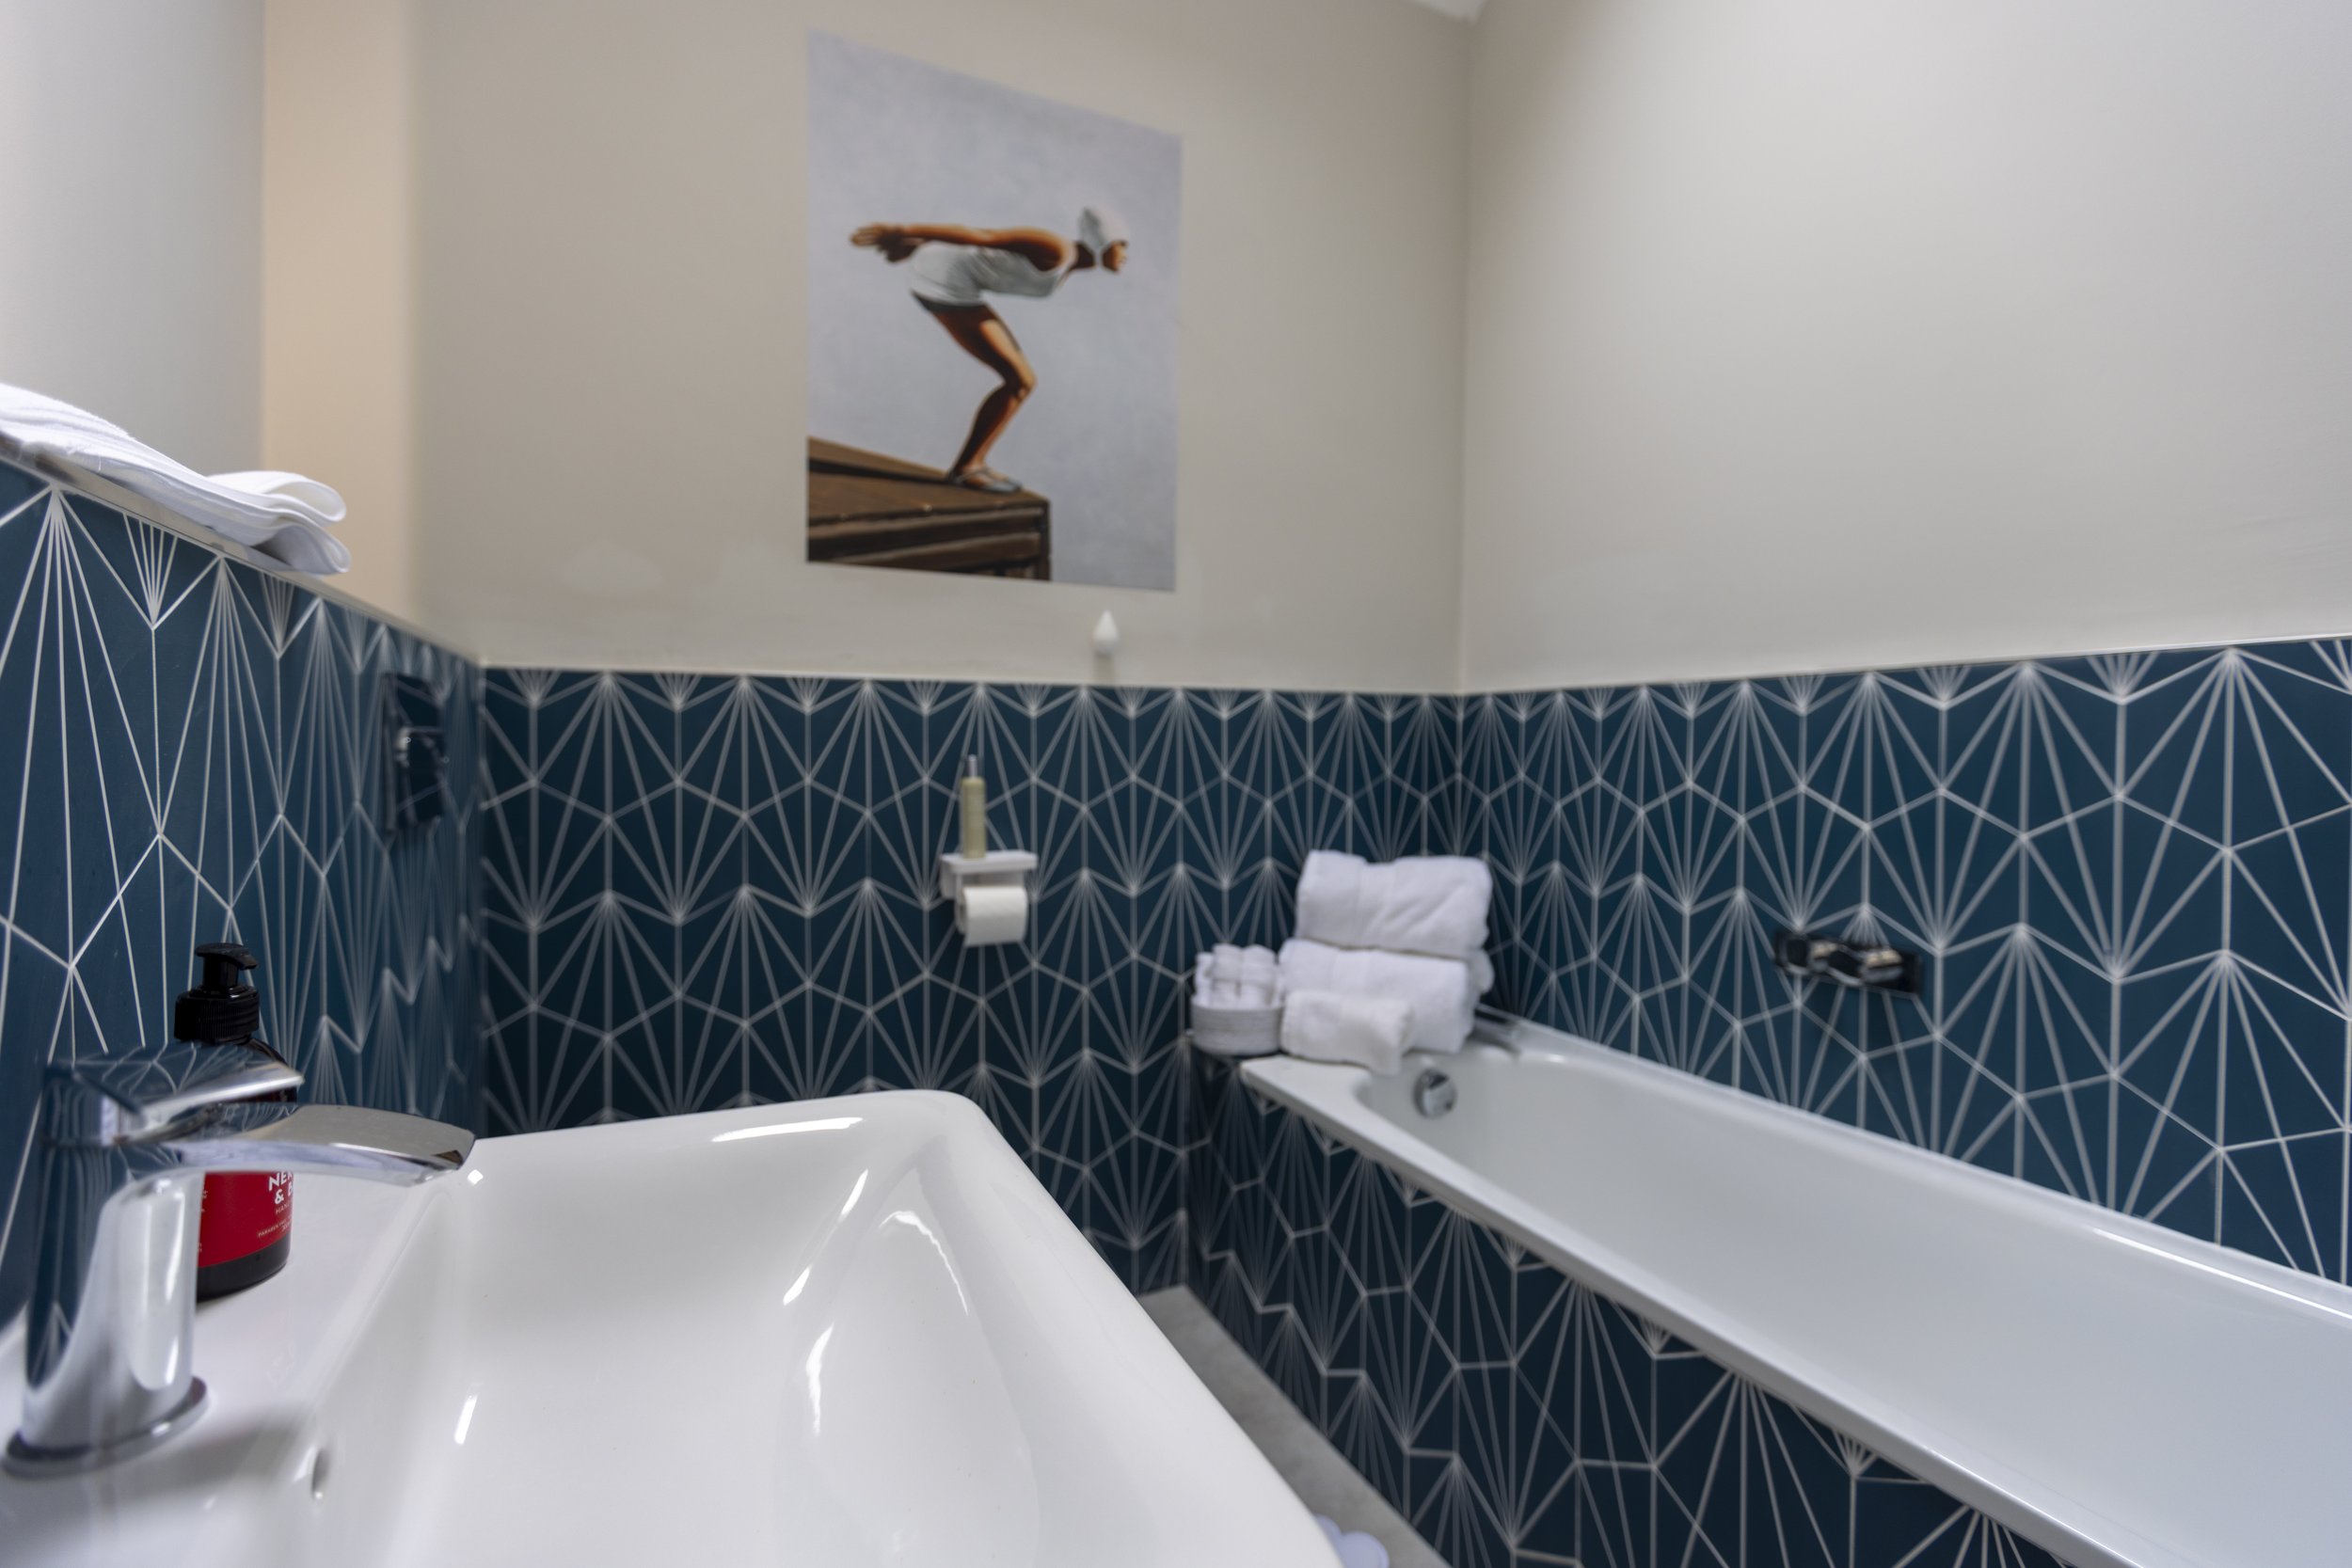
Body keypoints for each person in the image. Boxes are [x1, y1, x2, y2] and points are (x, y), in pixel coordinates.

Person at [850, 207, 1130, 494]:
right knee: (1020, 381)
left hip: (950, 278)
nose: (1126, 254)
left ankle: (971, 465)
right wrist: (902, 231)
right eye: (1122, 244)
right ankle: (966, 468)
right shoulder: (1056, 247)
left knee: (1020, 381)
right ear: (1102, 241)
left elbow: (987, 259)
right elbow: (983, 236)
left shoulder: (1068, 265)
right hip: (943, 281)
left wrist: (920, 247)